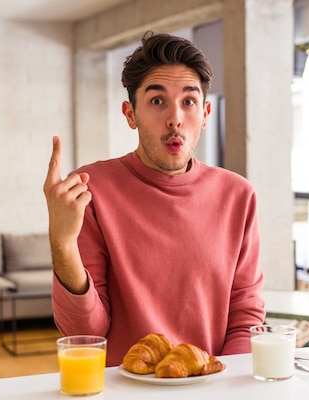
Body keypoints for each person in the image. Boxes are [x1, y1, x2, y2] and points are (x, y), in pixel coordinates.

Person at [43, 31, 265, 367]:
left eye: (188, 102)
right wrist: (62, 244)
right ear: (130, 114)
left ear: (205, 114)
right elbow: (86, 333)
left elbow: (245, 315)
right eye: (157, 101)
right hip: (123, 396)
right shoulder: (91, 190)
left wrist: (226, 390)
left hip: (212, 390)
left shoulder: (238, 196)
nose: (175, 118)